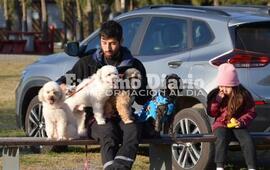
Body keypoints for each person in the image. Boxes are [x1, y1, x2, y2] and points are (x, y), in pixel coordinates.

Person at [57, 20, 150, 170]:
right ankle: (110, 167)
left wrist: (151, 96)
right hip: (95, 117)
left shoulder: (133, 65)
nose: (107, 47)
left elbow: (143, 96)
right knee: (108, 132)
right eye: (104, 42)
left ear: (121, 42)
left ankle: (120, 166)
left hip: (124, 115)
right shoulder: (87, 63)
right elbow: (67, 80)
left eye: (112, 43)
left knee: (133, 129)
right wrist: (61, 85)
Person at [207, 63, 257, 170]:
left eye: (227, 87)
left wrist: (241, 122)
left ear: (234, 85)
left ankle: (251, 166)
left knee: (247, 140)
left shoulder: (243, 94)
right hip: (221, 123)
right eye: (221, 86)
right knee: (221, 137)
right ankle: (219, 166)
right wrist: (217, 101)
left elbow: (250, 112)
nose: (223, 89)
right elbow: (211, 113)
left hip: (238, 124)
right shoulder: (216, 95)